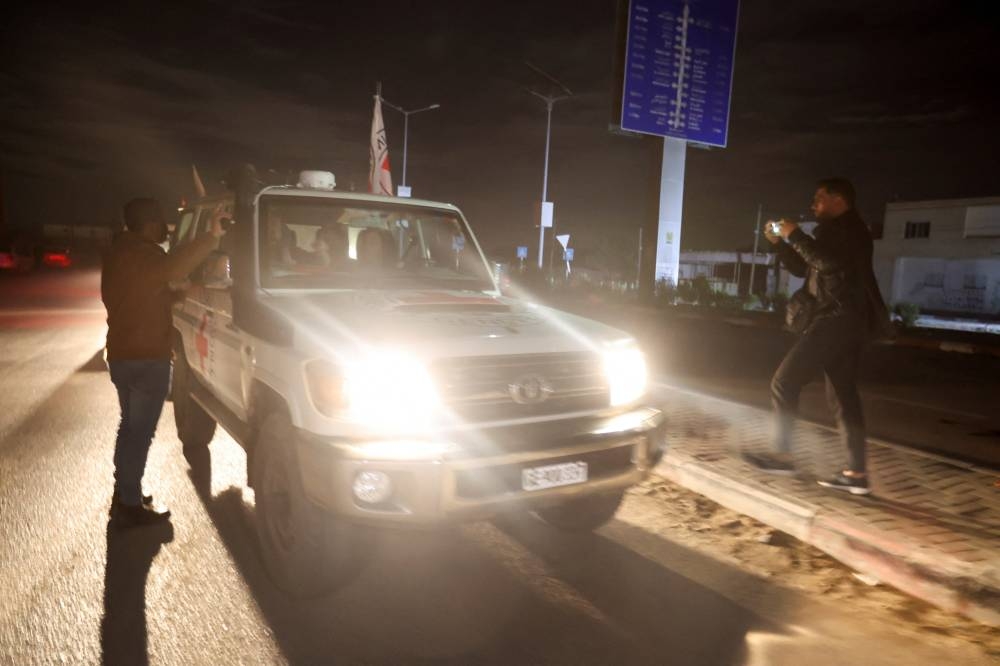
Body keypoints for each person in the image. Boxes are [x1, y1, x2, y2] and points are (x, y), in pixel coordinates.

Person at [743, 178, 890, 495]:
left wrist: (794, 233)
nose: (814, 205)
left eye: (819, 199)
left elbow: (828, 261)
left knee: (785, 381)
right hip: (846, 320)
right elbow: (805, 268)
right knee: (842, 395)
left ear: (839, 200)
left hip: (838, 319)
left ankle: (782, 455)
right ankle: (856, 473)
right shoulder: (837, 232)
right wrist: (779, 243)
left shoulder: (849, 230)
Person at [102, 198, 226, 527]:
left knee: (129, 427)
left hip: (122, 355)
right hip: (145, 358)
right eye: (160, 221)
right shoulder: (143, 255)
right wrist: (211, 236)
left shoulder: (118, 254)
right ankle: (129, 506)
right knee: (139, 433)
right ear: (149, 223)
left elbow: (137, 297)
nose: (165, 228)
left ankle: (124, 492)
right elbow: (174, 267)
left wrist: (174, 295)